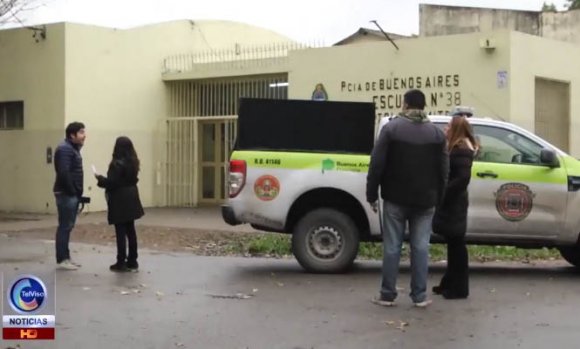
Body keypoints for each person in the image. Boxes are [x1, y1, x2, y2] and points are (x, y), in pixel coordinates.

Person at [366, 89, 449, 308]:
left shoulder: (391, 129)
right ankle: (419, 296)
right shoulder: (437, 134)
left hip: (395, 198)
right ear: (423, 107)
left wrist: (371, 193)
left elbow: (377, 164)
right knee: (421, 248)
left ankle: (387, 294)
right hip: (426, 201)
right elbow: (443, 170)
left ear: (405, 104)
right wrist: (439, 197)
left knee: (392, 247)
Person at [432, 114, 477, 299]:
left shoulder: (460, 149)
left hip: (454, 203)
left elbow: (462, 178)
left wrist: (444, 194)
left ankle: (458, 289)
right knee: (454, 245)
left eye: (449, 126)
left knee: (457, 246)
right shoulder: (460, 147)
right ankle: (449, 283)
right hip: (455, 202)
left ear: (456, 129)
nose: (446, 129)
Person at [95, 136, 144, 272]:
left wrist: (100, 179)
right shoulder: (133, 162)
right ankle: (133, 260)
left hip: (120, 199)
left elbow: (112, 182)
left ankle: (120, 261)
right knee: (131, 230)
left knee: (120, 231)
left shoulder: (116, 164)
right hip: (132, 196)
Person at [53, 122, 86, 270]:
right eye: (81, 132)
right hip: (66, 194)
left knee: (67, 226)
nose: (84, 135)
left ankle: (65, 258)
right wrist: (73, 191)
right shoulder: (65, 150)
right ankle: (62, 259)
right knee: (65, 226)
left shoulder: (72, 149)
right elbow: (64, 172)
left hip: (70, 193)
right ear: (72, 135)